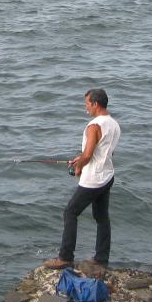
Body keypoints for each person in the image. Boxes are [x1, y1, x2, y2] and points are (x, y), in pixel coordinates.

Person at [44, 89, 121, 269]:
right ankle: (101, 259)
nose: (85, 107)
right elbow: (105, 152)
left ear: (95, 104)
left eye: (87, 103)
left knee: (70, 213)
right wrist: (82, 158)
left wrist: (78, 167)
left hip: (93, 180)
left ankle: (65, 257)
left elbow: (88, 155)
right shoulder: (114, 124)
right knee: (102, 217)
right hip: (107, 175)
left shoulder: (94, 126)